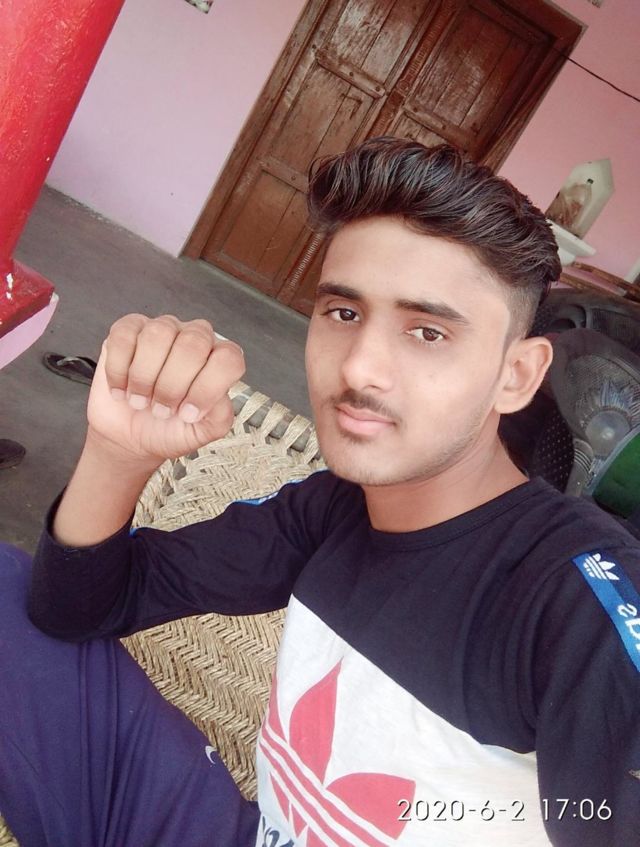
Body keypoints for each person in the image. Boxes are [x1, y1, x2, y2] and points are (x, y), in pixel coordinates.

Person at [1, 138, 639, 847]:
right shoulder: (336, 506)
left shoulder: (579, 602)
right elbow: (73, 609)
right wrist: (119, 455)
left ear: (515, 376)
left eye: (428, 332)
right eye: (343, 313)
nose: (359, 367)